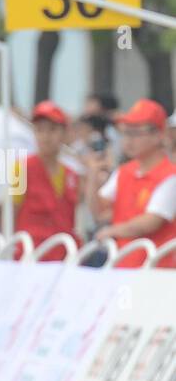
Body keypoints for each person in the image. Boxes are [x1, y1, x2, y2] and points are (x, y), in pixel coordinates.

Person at [92, 98, 176, 268]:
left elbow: (152, 221)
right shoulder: (124, 171)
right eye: (126, 132)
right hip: (122, 267)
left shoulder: (171, 175)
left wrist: (113, 231)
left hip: (156, 272)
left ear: (159, 135)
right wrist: (92, 177)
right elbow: (100, 213)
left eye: (136, 132)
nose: (128, 140)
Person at [10, 101, 78, 259]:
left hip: (64, 258)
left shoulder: (72, 174)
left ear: (65, 134)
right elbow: (10, 213)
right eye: (40, 130)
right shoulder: (20, 169)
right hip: (31, 257)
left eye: (53, 130)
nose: (46, 137)